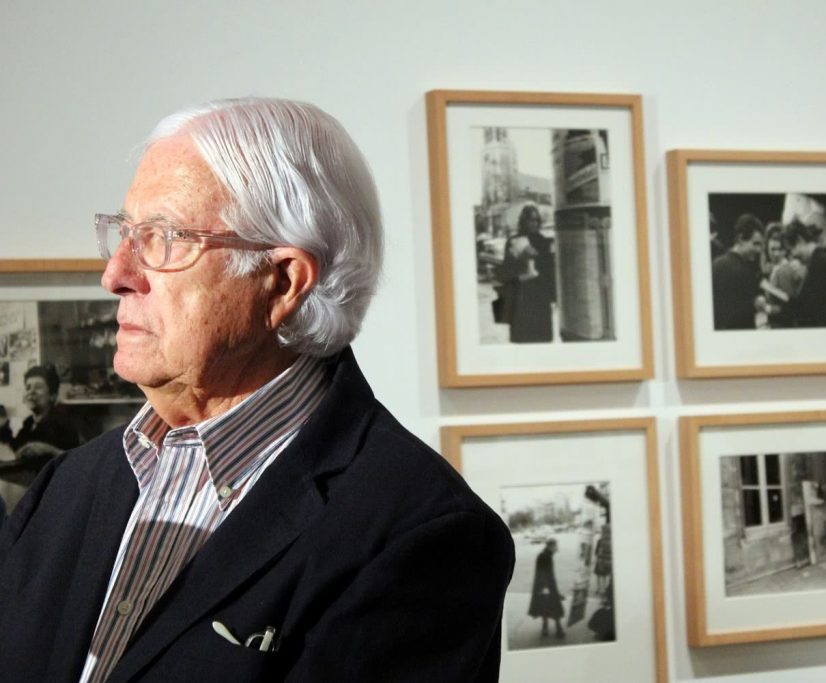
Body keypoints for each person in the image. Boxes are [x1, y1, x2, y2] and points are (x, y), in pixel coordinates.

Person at [0, 98, 514, 682]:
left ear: (284, 281)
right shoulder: (67, 486)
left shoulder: (420, 535)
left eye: (163, 237)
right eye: (124, 232)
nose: (115, 274)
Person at [0, 365, 82, 487]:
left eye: (38, 387)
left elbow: (77, 462)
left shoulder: (63, 423)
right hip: (29, 484)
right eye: (28, 387)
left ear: (52, 395)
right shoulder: (29, 422)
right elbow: (17, 449)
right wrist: (3, 426)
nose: (31, 392)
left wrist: (48, 449)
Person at [498, 204, 557, 343]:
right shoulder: (512, 241)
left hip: (540, 297)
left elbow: (549, 270)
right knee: (522, 339)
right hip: (521, 296)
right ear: (523, 221)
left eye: (536, 220)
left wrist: (553, 296)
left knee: (541, 339)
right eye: (530, 220)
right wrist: (519, 263)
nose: (534, 223)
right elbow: (505, 271)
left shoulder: (544, 242)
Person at [783, 219, 826, 328]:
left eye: (791, 250)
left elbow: (817, 309)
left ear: (800, 240)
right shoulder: (817, 262)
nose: (792, 256)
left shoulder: (821, 265)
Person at [711, 213, 765, 330]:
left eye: (761, 245)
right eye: (755, 244)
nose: (759, 250)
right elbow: (744, 319)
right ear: (741, 239)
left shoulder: (715, 264)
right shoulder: (745, 272)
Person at [761, 222, 805, 329]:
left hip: (784, 327)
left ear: (786, 249)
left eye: (780, 249)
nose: (776, 254)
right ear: (767, 248)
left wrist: (766, 309)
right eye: (772, 249)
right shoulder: (775, 268)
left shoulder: (784, 270)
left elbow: (790, 307)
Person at [528, 539, 565, 639]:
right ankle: (557, 629)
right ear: (550, 546)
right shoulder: (544, 556)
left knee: (547, 606)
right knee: (553, 606)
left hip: (547, 586)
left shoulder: (546, 555)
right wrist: (545, 588)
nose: (557, 548)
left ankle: (547, 628)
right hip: (546, 587)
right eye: (555, 546)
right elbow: (541, 573)